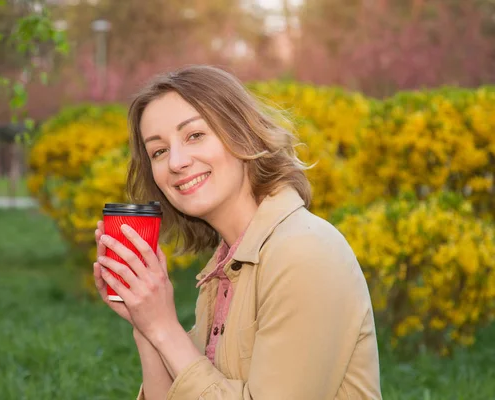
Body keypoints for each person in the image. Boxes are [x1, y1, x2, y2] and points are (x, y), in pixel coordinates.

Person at [93, 65, 382, 399]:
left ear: (241, 132)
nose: (176, 161)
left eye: (194, 135)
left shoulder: (304, 253)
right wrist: (145, 325)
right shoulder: (226, 268)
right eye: (158, 151)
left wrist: (164, 327)